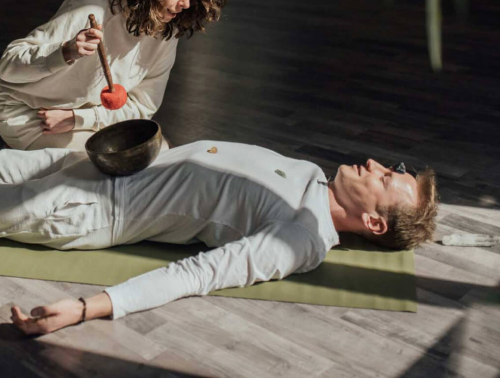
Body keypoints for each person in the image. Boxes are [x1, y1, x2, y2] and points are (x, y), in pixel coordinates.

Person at [1, 140, 438, 335]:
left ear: (375, 223)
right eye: (387, 168)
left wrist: (84, 309)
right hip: (104, 161)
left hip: (88, 207)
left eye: (384, 177)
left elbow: (198, 275)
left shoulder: (301, 237)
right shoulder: (312, 177)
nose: (373, 162)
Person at [0, 0, 226, 151]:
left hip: (75, 120)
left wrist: (78, 119)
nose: (186, 3)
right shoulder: (91, 7)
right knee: (105, 166)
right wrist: (65, 52)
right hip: (29, 115)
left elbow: (141, 106)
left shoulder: (167, 32)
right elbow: (7, 65)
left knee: (161, 153)